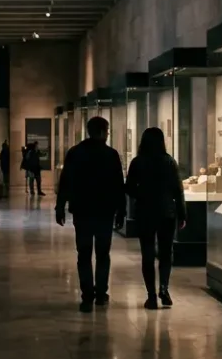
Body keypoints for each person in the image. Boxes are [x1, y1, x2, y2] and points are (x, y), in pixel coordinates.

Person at [55, 116, 125, 313]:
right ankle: (101, 293)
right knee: (103, 254)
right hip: (104, 211)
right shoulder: (110, 155)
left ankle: (87, 295)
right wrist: (121, 211)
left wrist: (60, 206)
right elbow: (118, 185)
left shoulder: (76, 153)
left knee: (84, 254)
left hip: (83, 210)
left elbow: (65, 182)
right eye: (108, 130)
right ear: (103, 131)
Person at [124, 128, 186, 310]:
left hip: (145, 212)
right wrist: (183, 214)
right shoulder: (169, 162)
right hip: (167, 212)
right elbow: (178, 190)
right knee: (166, 253)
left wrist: (142, 194)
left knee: (148, 253)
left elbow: (128, 187)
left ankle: (151, 295)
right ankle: (164, 288)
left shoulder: (138, 162)